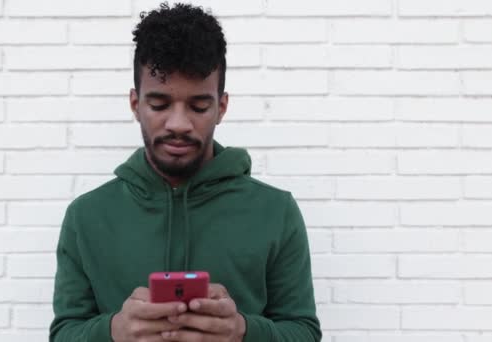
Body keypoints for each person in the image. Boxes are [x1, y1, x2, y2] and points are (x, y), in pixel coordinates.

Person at [49, 2, 322, 341]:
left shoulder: (276, 211)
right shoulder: (86, 217)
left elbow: (305, 332)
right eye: (160, 104)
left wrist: (243, 331)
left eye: (199, 106)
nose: (178, 123)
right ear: (136, 104)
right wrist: (113, 331)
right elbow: (63, 333)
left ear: (221, 107)